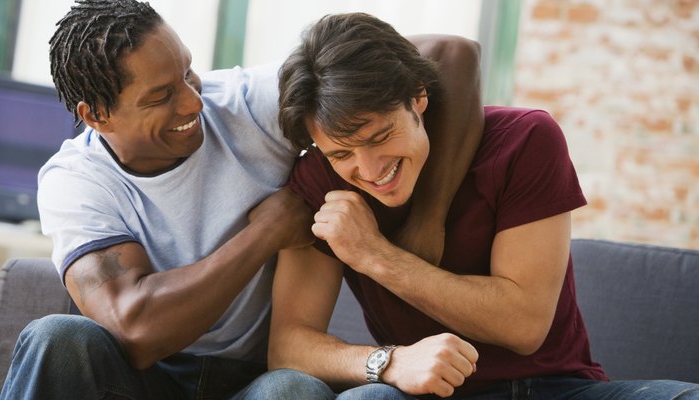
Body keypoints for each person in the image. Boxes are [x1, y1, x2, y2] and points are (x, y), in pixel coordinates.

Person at [0, 1, 484, 399]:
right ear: (97, 115)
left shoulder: (246, 103)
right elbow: (135, 331)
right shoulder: (77, 182)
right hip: (143, 382)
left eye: (188, 73)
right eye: (161, 96)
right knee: (57, 339)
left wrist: (428, 220)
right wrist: (265, 233)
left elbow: (451, 54)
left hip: (254, 382)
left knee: (292, 389)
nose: (193, 102)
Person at [269, 12, 699, 399]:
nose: (368, 169)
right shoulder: (322, 180)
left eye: (379, 137)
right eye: (342, 154)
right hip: (423, 394)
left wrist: (373, 254)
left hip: (560, 389)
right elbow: (289, 346)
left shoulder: (524, 141)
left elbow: (523, 324)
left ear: (418, 98)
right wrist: (389, 363)